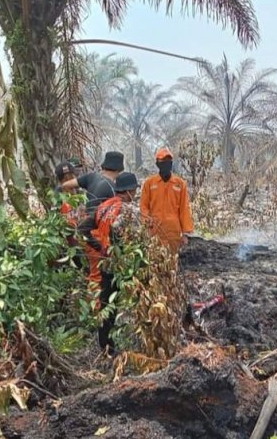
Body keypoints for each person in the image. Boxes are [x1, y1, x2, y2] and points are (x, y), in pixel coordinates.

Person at [78, 172, 139, 355]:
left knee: (106, 303)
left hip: (105, 263)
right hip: (121, 266)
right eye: (134, 190)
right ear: (128, 191)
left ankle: (104, 345)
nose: (135, 194)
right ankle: (119, 347)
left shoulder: (104, 206)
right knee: (124, 305)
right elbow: (129, 237)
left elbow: (82, 229)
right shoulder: (127, 210)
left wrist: (100, 248)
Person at [61, 151, 125, 285]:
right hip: (96, 237)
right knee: (98, 279)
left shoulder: (91, 177)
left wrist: (75, 205)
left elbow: (65, 186)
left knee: (90, 274)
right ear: (119, 170)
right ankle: (94, 305)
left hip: (82, 233)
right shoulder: (113, 189)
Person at [140, 147, 194, 252]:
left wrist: (186, 233)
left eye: (168, 161)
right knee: (155, 261)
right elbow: (144, 206)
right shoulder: (149, 183)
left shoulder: (180, 184)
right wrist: (147, 222)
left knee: (172, 261)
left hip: (173, 232)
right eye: (163, 161)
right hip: (154, 230)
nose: (166, 164)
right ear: (157, 164)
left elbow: (185, 209)